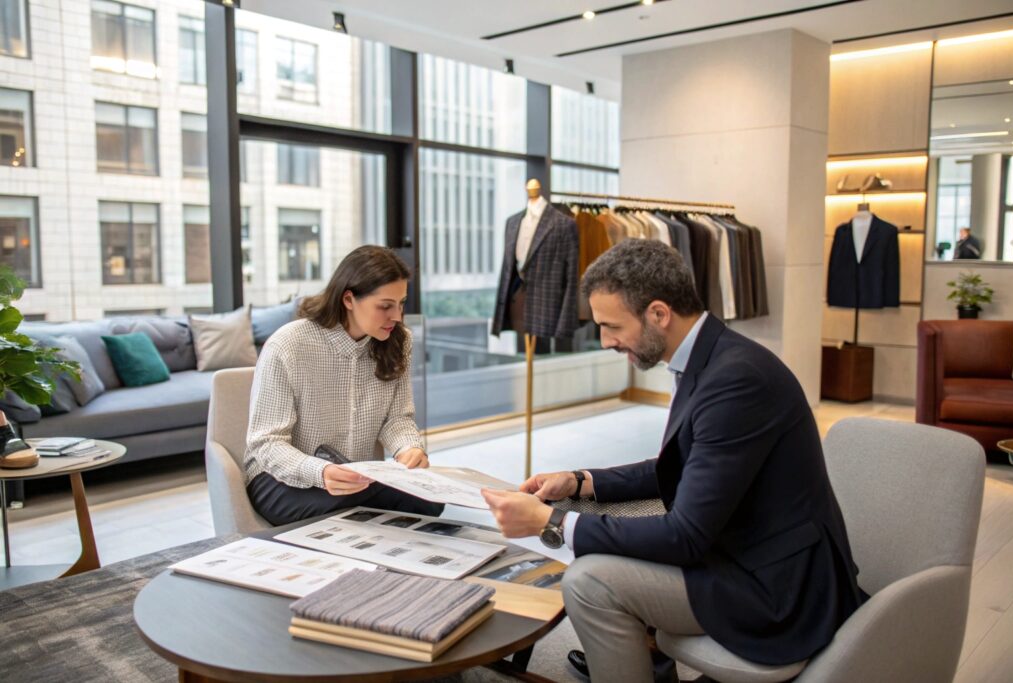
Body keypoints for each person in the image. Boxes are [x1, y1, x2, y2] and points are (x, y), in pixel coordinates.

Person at [482, 239, 867, 683]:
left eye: (612, 326)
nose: (605, 341)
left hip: (776, 588)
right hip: (748, 553)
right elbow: (679, 465)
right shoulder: (715, 357)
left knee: (589, 582)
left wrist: (551, 523)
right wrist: (579, 482)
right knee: (596, 515)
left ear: (659, 314)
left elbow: (685, 537)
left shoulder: (737, 381)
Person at [245, 245, 443, 526]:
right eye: (385, 306)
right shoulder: (288, 344)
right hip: (279, 478)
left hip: (354, 477)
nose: (397, 316)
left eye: (401, 304)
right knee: (347, 507)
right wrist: (321, 472)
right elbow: (266, 444)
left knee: (431, 500)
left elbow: (397, 418)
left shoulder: (400, 342)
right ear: (349, 299)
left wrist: (408, 449)